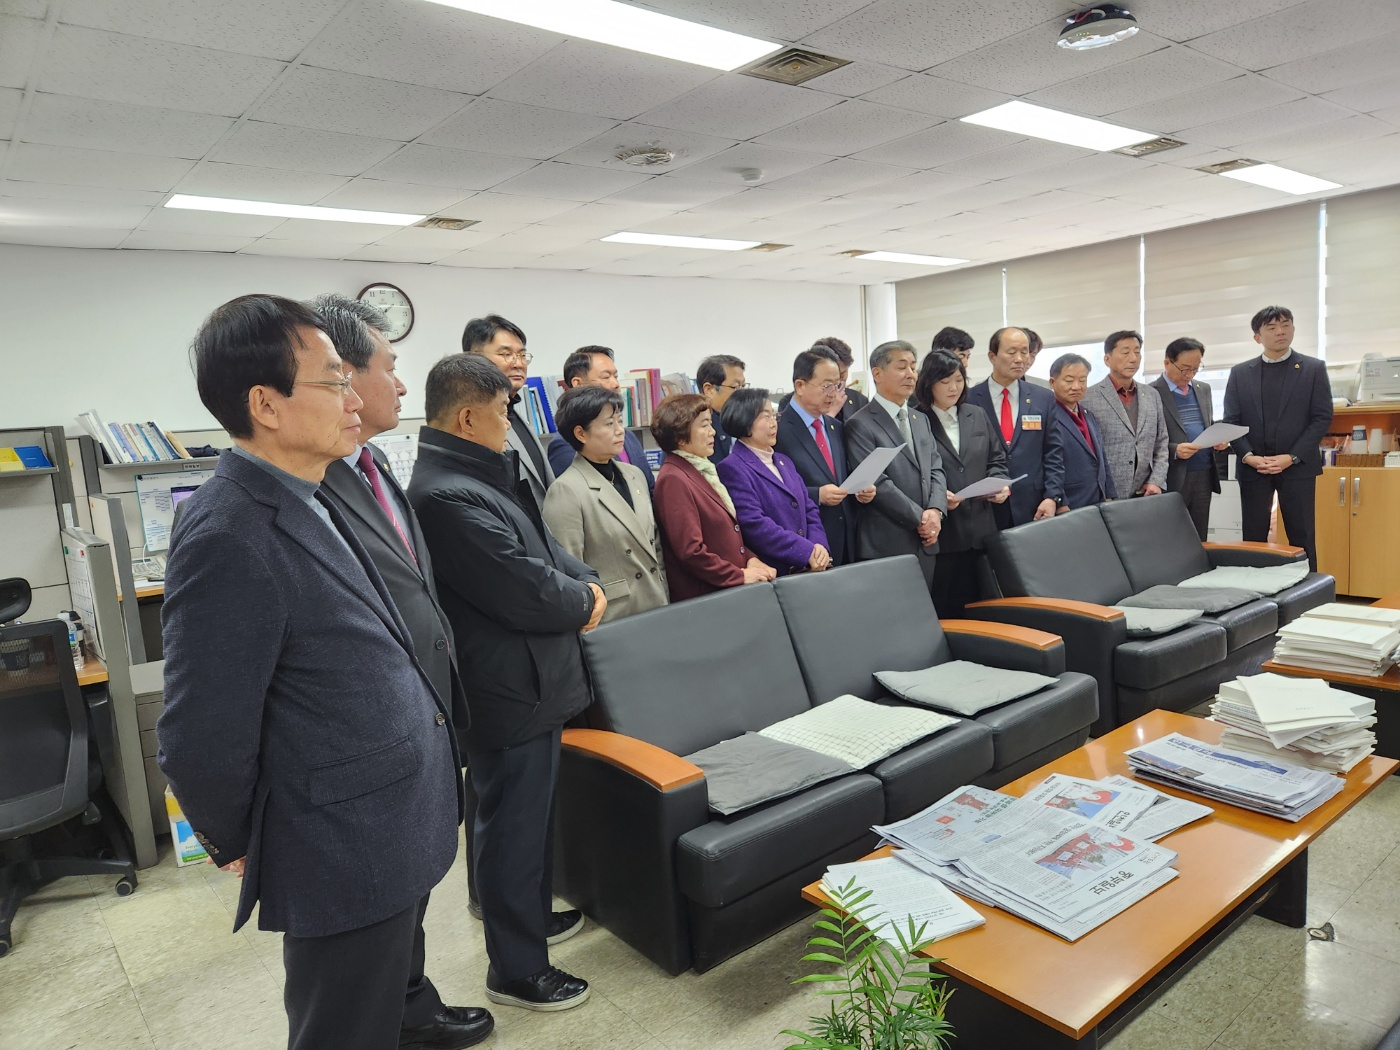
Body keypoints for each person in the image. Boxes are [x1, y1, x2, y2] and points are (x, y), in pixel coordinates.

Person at [157, 295, 465, 1050]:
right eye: (333, 381)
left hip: (384, 817)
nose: (354, 398)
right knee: (343, 1030)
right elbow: (201, 725)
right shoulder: (230, 530)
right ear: (265, 403)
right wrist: (235, 838)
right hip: (340, 841)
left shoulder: (309, 490)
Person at [312, 294, 492, 1050]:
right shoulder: (313, 481)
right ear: (344, 376)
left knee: (415, 880)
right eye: (391, 367)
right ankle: (396, 1008)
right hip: (371, 733)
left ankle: (411, 1002)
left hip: (428, 708)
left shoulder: (377, 460)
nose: (400, 383)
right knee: (370, 914)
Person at [408, 354, 602, 1013]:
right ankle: (517, 971)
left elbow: (544, 551)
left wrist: (584, 584)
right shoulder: (443, 493)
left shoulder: (483, 474)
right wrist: (583, 604)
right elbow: (523, 589)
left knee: (530, 821)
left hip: (534, 681)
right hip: (508, 688)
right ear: (468, 416)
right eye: (502, 411)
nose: (509, 423)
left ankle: (530, 919)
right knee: (510, 827)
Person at [542, 385, 667, 622]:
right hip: (614, 614)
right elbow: (569, 568)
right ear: (581, 434)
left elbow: (655, 547)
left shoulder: (633, 475)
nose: (620, 431)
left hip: (656, 601)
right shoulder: (566, 490)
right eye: (609, 424)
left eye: (620, 421)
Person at [1223, 305, 1333, 570]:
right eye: (1271, 328)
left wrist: (1291, 457)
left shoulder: (1313, 369)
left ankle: (1307, 592)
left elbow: (1322, 417)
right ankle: (1257, 596)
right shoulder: (1240, 373)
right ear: (1257, 337)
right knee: (1253, 535)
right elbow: (1231, 421)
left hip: (1297, 466)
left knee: (1302, 535)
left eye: (1285, 325)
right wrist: (1248, 457)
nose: (1280, 332)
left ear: (1293, 329)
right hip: (1254, 467)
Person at [650, 393, 776, 601]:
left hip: (726, 591)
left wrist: (750, 559)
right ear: (681, 436)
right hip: (706, 597)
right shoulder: (674, 478)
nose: (713, 432)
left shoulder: (700, 469)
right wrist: (739, 574)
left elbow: (725, 534)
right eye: (705, 425)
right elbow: (691, 552)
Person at [844, 340, 948, 590]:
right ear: (877, 374)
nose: (911, 374)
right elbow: (878, 482)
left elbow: (936, 469)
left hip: (926, 539)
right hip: (887, 542)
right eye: (902, 367)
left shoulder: (920, 419)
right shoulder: (861, 423)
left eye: (913, 367)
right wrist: (920, 518)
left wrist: (936, 510)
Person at [913, 350, 1009, 617]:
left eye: (958, 379)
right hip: (943, 533)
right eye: (945, 382)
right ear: (928, 383)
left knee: (986, 606)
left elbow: (997, 459)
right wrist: (937, 497)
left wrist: (1001, 486)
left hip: (981, 527)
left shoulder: (976, 414)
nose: (954, 387)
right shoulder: (916, 419)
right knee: (946, 608)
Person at [775, 347, 875, 566]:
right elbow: (773, 491)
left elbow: (841, 476)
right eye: (826, 385)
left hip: (847, 539)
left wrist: (861, 490)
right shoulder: (777, 430)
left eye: (838, 384)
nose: (834, 393)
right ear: (800, 386)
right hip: (808, 544)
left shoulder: (835, 427)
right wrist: (817, 495)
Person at [717, 387, 831, 577]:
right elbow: (754, 524)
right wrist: (804, 551)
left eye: (774, 416)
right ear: (744, 421)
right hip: (776, 573)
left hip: (809, 567)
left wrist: (818, 546)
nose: (774, 423)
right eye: (765, 416)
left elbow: (809, 509)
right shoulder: (732, 467)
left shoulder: (783, 461)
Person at [965, 327, 1066, 526]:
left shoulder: (1042, 398)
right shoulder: (970, 399)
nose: (1020, 359)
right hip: (986, 508)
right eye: (1012, 352)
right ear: (992, 356)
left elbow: (1054, 452)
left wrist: (1052, 496)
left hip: (1034, 505)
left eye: (1025, 352)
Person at [462, 314, 553, 508]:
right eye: (506, 354)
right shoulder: (471, 424)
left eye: (521, 355)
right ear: (475, 359)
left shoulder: (514, 411)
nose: (518, 363)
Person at [545, 345, 655, 494]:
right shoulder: (566, 443)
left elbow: (649, 487)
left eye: (615, 376)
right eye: (606, 377)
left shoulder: (626, 435)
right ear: (577, 384)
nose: (615, 384)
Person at [1152, 336, 1227, 541]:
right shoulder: (1151, 393)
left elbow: (1206, 424)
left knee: (1199, 533)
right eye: (1185, 368)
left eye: (1195, 368)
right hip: (1172, 475)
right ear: (1167, 362)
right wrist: (1174, 449)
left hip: (1204, 472)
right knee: (1172, 535)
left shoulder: (1203, 389)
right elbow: (1146, 441)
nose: (1190, 374)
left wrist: (1218, 439)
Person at [1082, 330, 1170, 501]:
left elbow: (1161, 442)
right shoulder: (1088, 397)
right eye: (1125, 352)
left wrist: (1157, 481)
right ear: (1107, 359)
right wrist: (1102, 490)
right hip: (1106, 494)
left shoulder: (1152, 395)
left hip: (1146, 491)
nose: (1133, 358)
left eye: (1137, 352)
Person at [1049, 353, 1115, 509]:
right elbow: (1046, 464)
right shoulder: (1047, 417)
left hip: (1098, 499)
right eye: (1069, 380)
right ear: (1052, 382)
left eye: (1082, 380)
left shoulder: (1088, 415)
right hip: (1070, 502)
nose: (1076, 386)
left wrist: (1109, 493)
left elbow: (1101, 458)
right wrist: (1060, 500)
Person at [778, 336, 869, 421]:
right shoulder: (790, 402)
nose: (834, 390)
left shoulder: (859, 400)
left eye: (842, 375)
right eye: (827, 384)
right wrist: (830, 414)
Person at [696, 353, 746, 464]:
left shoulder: (747, 422)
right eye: (735, 387)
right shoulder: (692, 429)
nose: (742, 393)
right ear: (709, 389)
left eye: (743, 386)